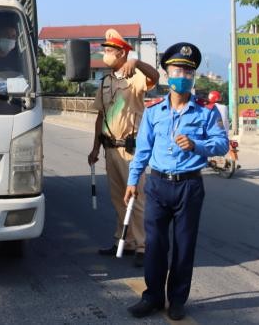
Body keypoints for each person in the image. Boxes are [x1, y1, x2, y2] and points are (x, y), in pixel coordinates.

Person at [124, 42, 229, 321]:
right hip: (157, 185)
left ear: (192, 76)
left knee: (184, 246)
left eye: (187, 71)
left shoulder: (207, 112)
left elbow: (221, 145)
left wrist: (196, 145)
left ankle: (178, 300)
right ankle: (153, 297)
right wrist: (133, 181)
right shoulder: (153, 111)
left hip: (189, 187)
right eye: (176, 70)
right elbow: (143, 150)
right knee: (156, 245)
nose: (182, 75)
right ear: (167, 73)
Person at [88, 28, 159, 267]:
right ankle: (125, 241)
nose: (105, 54)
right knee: (118, 198)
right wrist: (95, 148)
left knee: (135, 198)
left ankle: (143, 245)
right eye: (104, 50)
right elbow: (101, 116)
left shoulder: (135, 76)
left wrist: (136, 61)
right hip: (109, 148)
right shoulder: (105, 81)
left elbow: (155, 77)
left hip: (130, 149)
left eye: (109, 50)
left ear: (121, 53)